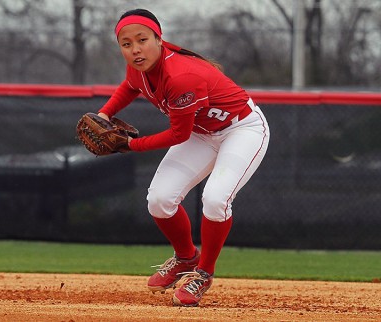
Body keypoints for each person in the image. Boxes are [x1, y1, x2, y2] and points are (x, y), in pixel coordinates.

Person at [97, 8, 270, 307]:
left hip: (241, 130)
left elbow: (178, 135)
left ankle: (203, 273)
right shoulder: (138, 68)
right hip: (201, 133)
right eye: (126, 44)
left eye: (142, 39)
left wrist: (129, 146)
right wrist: (104, 113)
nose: (135, 49)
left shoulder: (181, 76)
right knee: (160, 200)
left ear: (159, 38)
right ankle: (186, 257)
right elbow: (130, 87)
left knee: (216, 200)